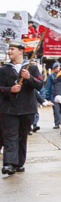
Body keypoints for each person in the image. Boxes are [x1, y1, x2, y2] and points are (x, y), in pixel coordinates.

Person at [1, 41, 44, 175]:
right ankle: (9, 163)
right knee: (10, 136)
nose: (9, 52)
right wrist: (10, 90)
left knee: (22, 136)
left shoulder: (31, 67)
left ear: (21, 51)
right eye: (9, 49)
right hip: (9, 109)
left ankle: (19, 162)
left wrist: (29, 77)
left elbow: (39, 85)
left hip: (27, 108)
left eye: (12, 49)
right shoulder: (4, 69)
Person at [43, 62, 61, 128]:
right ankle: (57, 123)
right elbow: (48, 86)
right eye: (56, 68)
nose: (58, 69)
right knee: (56, 110)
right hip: (53, 95)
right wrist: (47, 96)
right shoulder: (51, 76)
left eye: (59, 67)